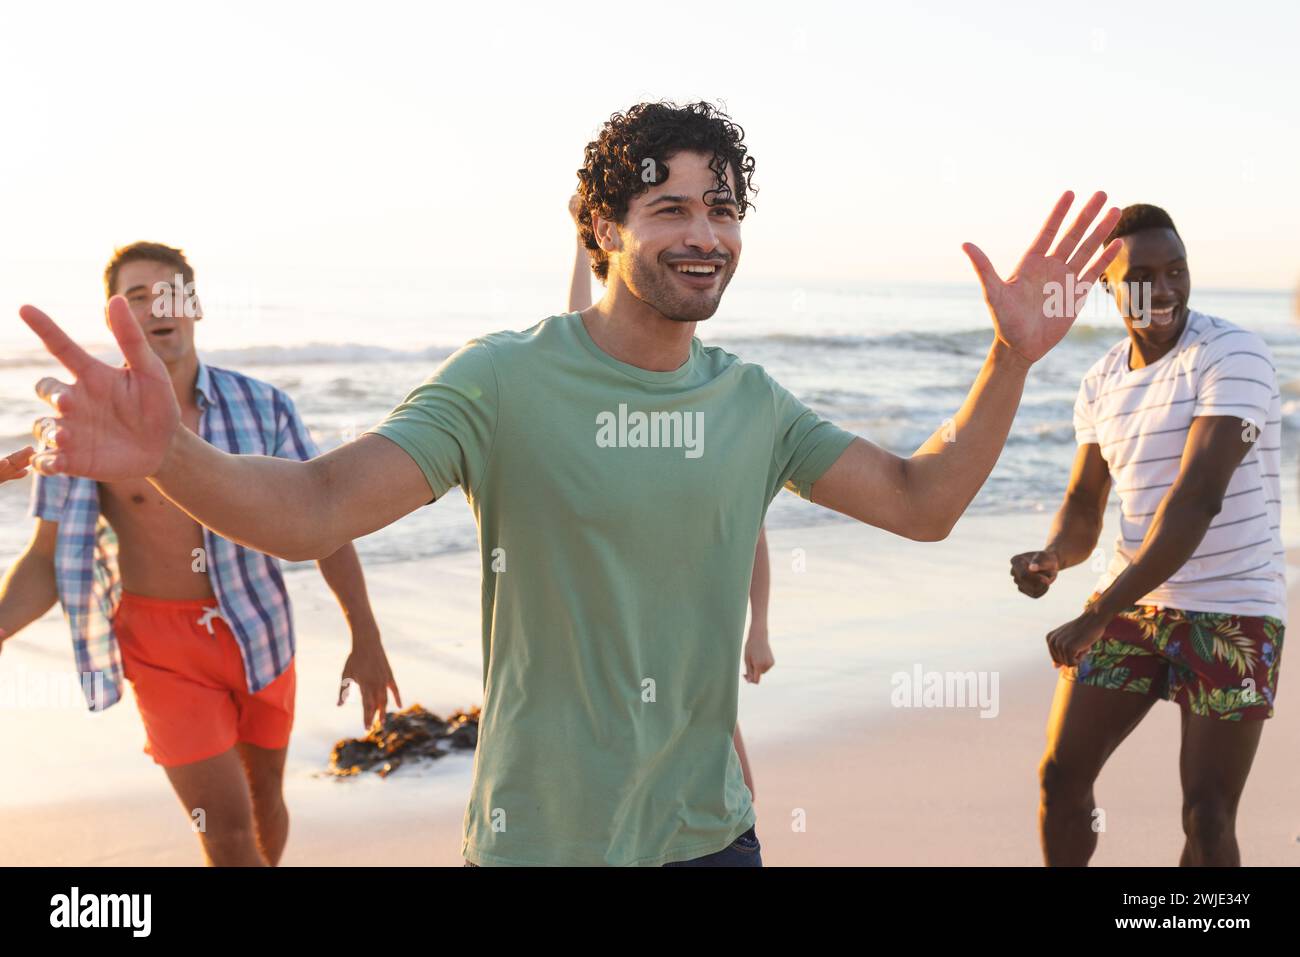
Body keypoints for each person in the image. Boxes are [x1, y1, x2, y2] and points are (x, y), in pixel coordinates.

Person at [20, 101, 1120, 867]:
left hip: (711, 835)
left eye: (723, 209)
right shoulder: (503, 381)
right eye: (672, 209)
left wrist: (1011, 360)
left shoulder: (751, 402)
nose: (706, 235)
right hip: (539, 843)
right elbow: (312, 510)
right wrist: (168, 454)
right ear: (604, 228)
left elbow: (923, 504)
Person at [0, 242, 400, 867]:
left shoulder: (265, 406)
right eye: (135, 297)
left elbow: (327, 521)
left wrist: (366, 635)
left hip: (261, 628)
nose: (155, 307)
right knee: (227, 829)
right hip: (161, 650)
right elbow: (48, 558)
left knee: (266, 798)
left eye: (168, 293)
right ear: (116, 320)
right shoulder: (85, 419)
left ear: (195, 306)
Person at [1009, 204, 1285, 867]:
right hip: (1135, 601)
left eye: (1177, 271)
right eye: (1141, 277)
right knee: (1061, 777)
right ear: (1108, 286)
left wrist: (1095, 611)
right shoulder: (1101, 380)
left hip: (1234, 604)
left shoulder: (1232, 353)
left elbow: (1197, 498)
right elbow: (1084, 502)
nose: (1163, 290)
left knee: (1208, 815)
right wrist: (1054, 556)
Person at [566, 190, 772, 800]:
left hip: (693, 652)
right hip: (611, 651)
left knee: (734, 792)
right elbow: (578, 330)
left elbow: (754, 536)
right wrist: (580, 237)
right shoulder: (602, 418)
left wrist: (758, 630)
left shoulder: (712, 421)